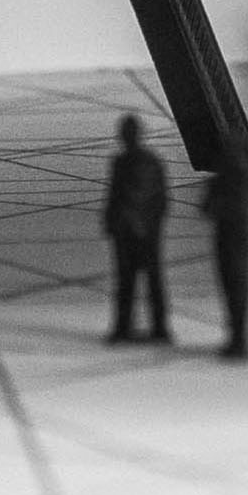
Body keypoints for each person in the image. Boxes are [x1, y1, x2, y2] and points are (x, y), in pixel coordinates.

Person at [102, 112, 170, 343]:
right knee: (129, 281)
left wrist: (137, 223)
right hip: (133, 229)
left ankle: (156, 328)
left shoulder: (143, 162)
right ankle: (128, 327)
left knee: (145, 281)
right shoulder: (125, 162)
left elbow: (150, 198)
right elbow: (114, 195)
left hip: (141, 231)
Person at [200, 141, 248, 361]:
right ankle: (237, 338)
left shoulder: (229, 183)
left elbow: (208, 209)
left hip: (231, 239)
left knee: (235, 289)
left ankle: (238, 339)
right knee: (235, 289)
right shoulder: (243, 181)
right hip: (234, 239)